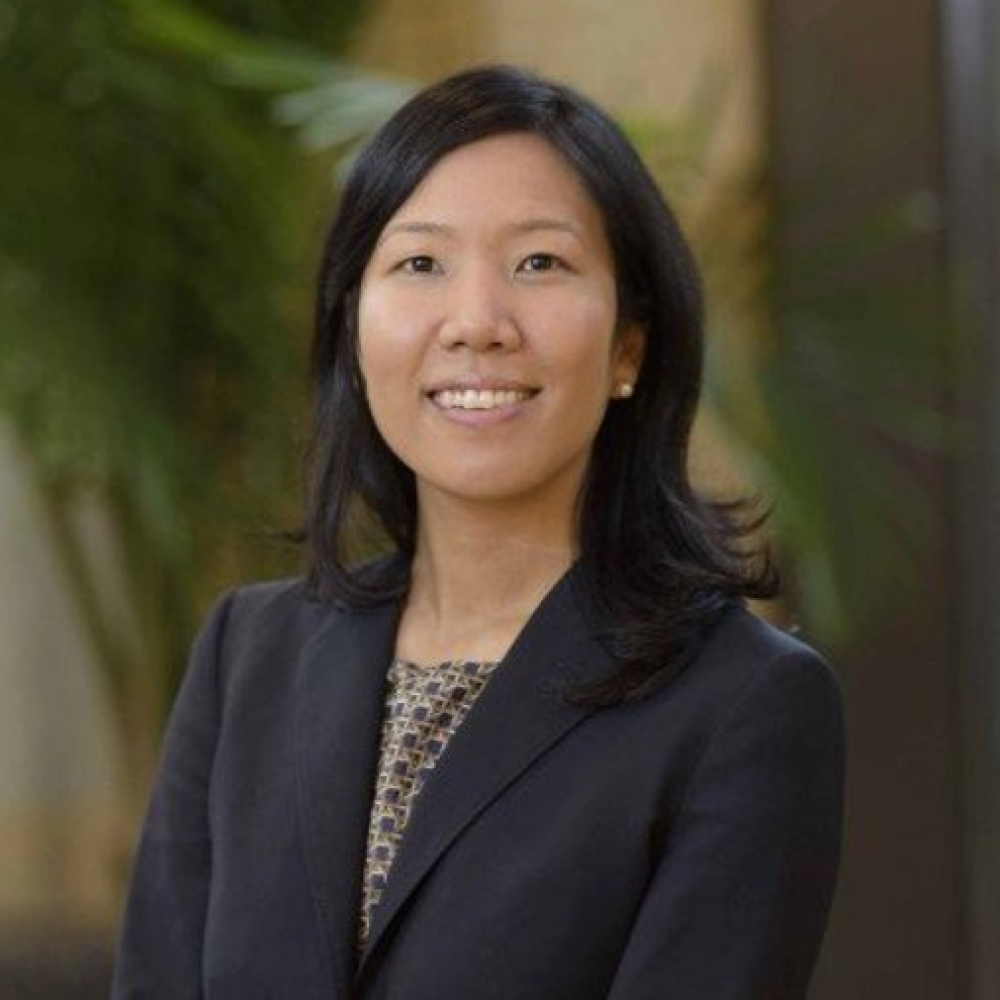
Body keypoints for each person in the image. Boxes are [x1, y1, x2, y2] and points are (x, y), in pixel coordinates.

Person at [111, 65, 846, 999]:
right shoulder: (246, 656)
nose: (477, 324)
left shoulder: (744, 704)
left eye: (540, 262)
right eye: (420, 263)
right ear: (352, 328)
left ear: (630, 345)